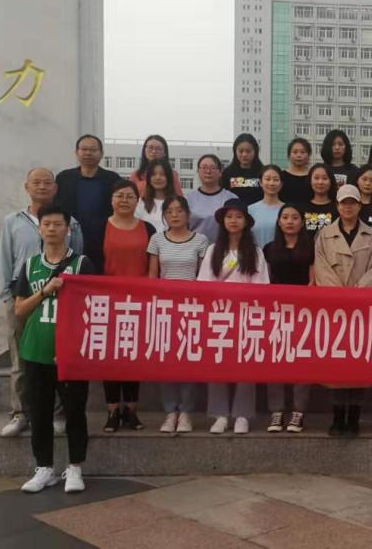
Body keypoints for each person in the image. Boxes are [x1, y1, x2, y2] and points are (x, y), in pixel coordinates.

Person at [14, 205, 95, 494]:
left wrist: (75, 345)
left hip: (70, 353)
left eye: (57, 224)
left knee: (74, 412)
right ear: (39, 229)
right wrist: (44, 291)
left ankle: (75, 467)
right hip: (36, 350)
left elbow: (93, 308)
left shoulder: (82, 263)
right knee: (40, 413)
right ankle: (44, 468)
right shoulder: (30, 265)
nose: (51, 229)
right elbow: (20, 309)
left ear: (67, 229)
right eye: (46, 224)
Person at [0, 168, 83, 437]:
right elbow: (5, 258)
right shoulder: (12, 221)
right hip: (23, 296)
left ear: (55, 188)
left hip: (61, 299)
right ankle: (20, 412)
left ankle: (57, 413)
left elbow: (78, 259)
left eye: (48, 182)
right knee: (20, 358)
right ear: (27, 187)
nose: (42, 186)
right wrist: (7, 295)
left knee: (57, 355)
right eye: (37, 182)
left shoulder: (72, 223)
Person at [314, 185, 372, 436]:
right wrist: (341, 297)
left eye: (352, 202)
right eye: (344, 202)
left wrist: (357, 296)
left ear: (359, 206)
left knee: (359, 365)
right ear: (337, 205)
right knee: (336, 365)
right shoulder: (324, 235)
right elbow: (322, 269)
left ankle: (354, 416)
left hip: (363, 310)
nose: (348, 207)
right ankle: (337, 416)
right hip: (335, 310)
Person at [199, 199, 269, 435]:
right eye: (229, 216)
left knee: (245, 367)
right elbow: (204, 285)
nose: (233, 221)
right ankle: (219, 414)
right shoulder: (213, 250)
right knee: (217, 365)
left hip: (246, 316)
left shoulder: (255, 252)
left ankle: (242, 414)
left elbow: (261, 287)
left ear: (246, 222)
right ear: (222, 221)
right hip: (219, 316)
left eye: (238, 216)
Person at [147, 196, 209, 433]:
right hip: (165, 308)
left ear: (188, 214)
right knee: (167, 361)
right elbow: (153, 276)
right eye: (169, 211)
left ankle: (186, 412)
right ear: (164, 215)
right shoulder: (156, 239)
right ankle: (170, 411)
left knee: (188, 361)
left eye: (179, 210)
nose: (174, 215)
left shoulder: (201, 240)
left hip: (192, 308)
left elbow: (203, 276)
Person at [100, 180, 155, 433]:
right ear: (111, 200)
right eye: (119, 195)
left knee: (133, 355)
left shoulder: (148, 228)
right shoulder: (99, 227)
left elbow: (153, 264)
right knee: (110, 357)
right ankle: (112, 410)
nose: (124, 200)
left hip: (138, 301)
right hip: (107, 301)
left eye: (130, 196)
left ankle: (131, 409)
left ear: (137, 201)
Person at [263, 204, 315, 433]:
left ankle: (298, 411)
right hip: (276, 312)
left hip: (304, 312)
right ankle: (276, 411)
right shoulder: (269, 248)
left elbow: (313, 281)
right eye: (285, 217)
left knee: (302, 362)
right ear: (279, 222)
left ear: (302, 222)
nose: (290, 221)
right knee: (275, 361)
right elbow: (265, 280)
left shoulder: (311, 247)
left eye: (295, 217)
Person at [54, 134, 120, 273]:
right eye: (84, 149)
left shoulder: (112, 179)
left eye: (93, 149)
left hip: (103, 241)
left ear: (101, 153)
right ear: (76, 152)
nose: (88, 153)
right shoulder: (64, 178)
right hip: (69, 241)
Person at [186, 155, 238, 243]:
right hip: (194, 247)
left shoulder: (231, 198)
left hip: (223, 247)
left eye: (213, 168)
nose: (208, 171)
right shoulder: (188, 198)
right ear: (198, 171)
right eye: (204, 167)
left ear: (220, 172)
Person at [134, 159, 178, 232]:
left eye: (162, 174)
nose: (158, 178)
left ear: (168, 177)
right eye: (153, 174)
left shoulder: (177, 203)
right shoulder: (141, 203)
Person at [221, 133, 265, 206]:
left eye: (248, 151)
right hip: (235, 210)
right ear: (235, 151)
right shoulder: (227, 173)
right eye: (241, 151)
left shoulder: (263, 173)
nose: (244, 154)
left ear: (255, 151)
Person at [248, 165, 283, 246]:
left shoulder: (286, 210)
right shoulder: (250, 210)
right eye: (267, 179)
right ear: (260, 182)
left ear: (281, 184)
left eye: (276, 180)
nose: (271, 183)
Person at [301, 163, 338, 237]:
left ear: (331, 181)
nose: (320, 182)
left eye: (324, 178)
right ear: (310, 181)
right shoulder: (301, 208)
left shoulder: (338, 207)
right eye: (316, 178)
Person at [280, 138, 313, 206]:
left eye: (302, 152)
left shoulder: (313, 176)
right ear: (289, 155)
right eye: (295, 152)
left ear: (309, 155)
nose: (299, 155)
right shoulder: (281, 176)